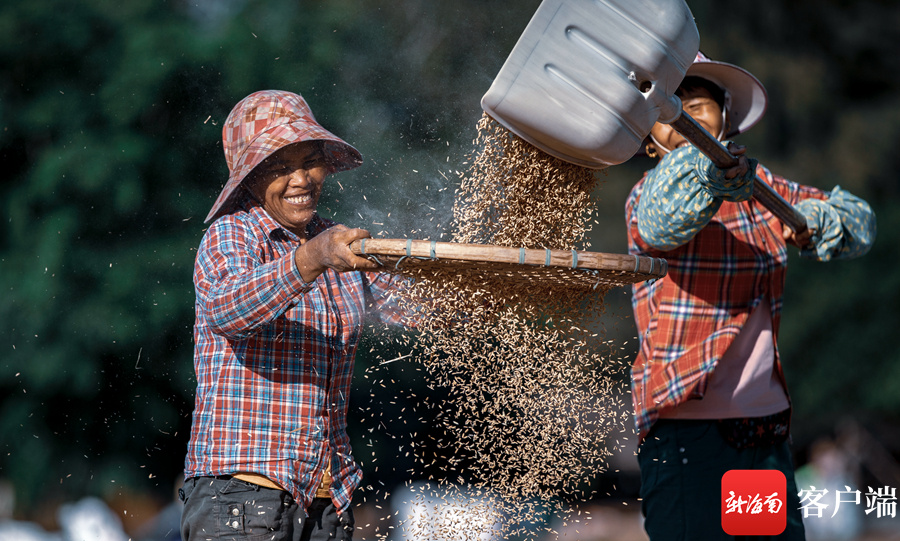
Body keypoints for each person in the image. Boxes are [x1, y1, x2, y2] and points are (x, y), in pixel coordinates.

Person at [625, 52, 876, 540]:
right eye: (668, 110)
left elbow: (859, 223)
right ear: (651, 143)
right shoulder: (647, 196)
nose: (683, 116)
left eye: (697, 105)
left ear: (728, 122)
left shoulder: (762, 193)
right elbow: (664, 218)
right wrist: (712, 174)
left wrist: (821, 222)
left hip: (760, 436)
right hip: (687, 433)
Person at [180, 90, 406, 541]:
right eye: (280, 167)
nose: (300, 179)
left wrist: (499, 285)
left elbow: (416, 311)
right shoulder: (232, 235)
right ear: (250, 178)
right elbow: (229, 308)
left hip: (326, 500)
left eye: (309, 162)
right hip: (240, 499)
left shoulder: (338, 242)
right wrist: (310, 259)